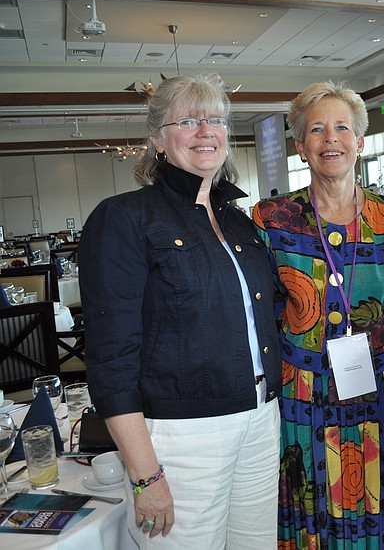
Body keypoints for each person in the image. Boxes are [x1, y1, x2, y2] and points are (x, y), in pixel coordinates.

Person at [79, 72, 282, 548]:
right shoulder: (125, 217)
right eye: (188, 120)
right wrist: (145, 474)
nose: (206, 131)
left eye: (215, 120)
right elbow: (111, 360)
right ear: (157, 139)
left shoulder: (240, 222)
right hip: (180, 437)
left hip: (259, 420)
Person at [252, 81, 384, 549]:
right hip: (302, 397)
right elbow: (259, 317)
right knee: (313, 513)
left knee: (381, 505)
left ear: (360, 142)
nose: (331, 139)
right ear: (301, 145)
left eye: (342, 128)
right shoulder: (272, 220)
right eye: (317, 130)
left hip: (381, 396)